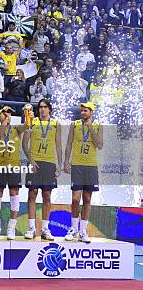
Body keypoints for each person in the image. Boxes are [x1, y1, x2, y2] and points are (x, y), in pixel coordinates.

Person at [64, 102, 103, 244]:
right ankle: (73, 228)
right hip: (77, 165)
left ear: (91, 112)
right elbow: (69, 144)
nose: (83, 113)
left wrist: (90, 127)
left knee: (87, 199)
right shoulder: (74, 124)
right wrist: (66, 162)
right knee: (75, 198)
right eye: (82, 111)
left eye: (86, 111)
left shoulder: (98, 125)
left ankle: (83, 231)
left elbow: (99, 144)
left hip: (91, 166)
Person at [23, 98, 62, 240]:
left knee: (47, 195)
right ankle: (31, 228)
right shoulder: (32, 122)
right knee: (32, 193)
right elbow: (24, 144)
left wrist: (60, 164)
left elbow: (58, 145)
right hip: (35, 162)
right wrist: (31, 160)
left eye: (45, 107)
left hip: (49, 163)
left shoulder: (55, 123)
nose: (42, 109)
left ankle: (45, 229)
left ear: (49, 109)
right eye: (40, 107)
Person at [0, 105, 29, 240]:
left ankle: (11, 228)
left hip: (14, 166)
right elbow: (0, 135)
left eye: (9, 113)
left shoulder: (16, 129)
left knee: (14, 196)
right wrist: (4, 122)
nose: (8, 115)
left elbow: (27, 125)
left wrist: (28, 113)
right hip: (0, 166)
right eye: (5, 113)